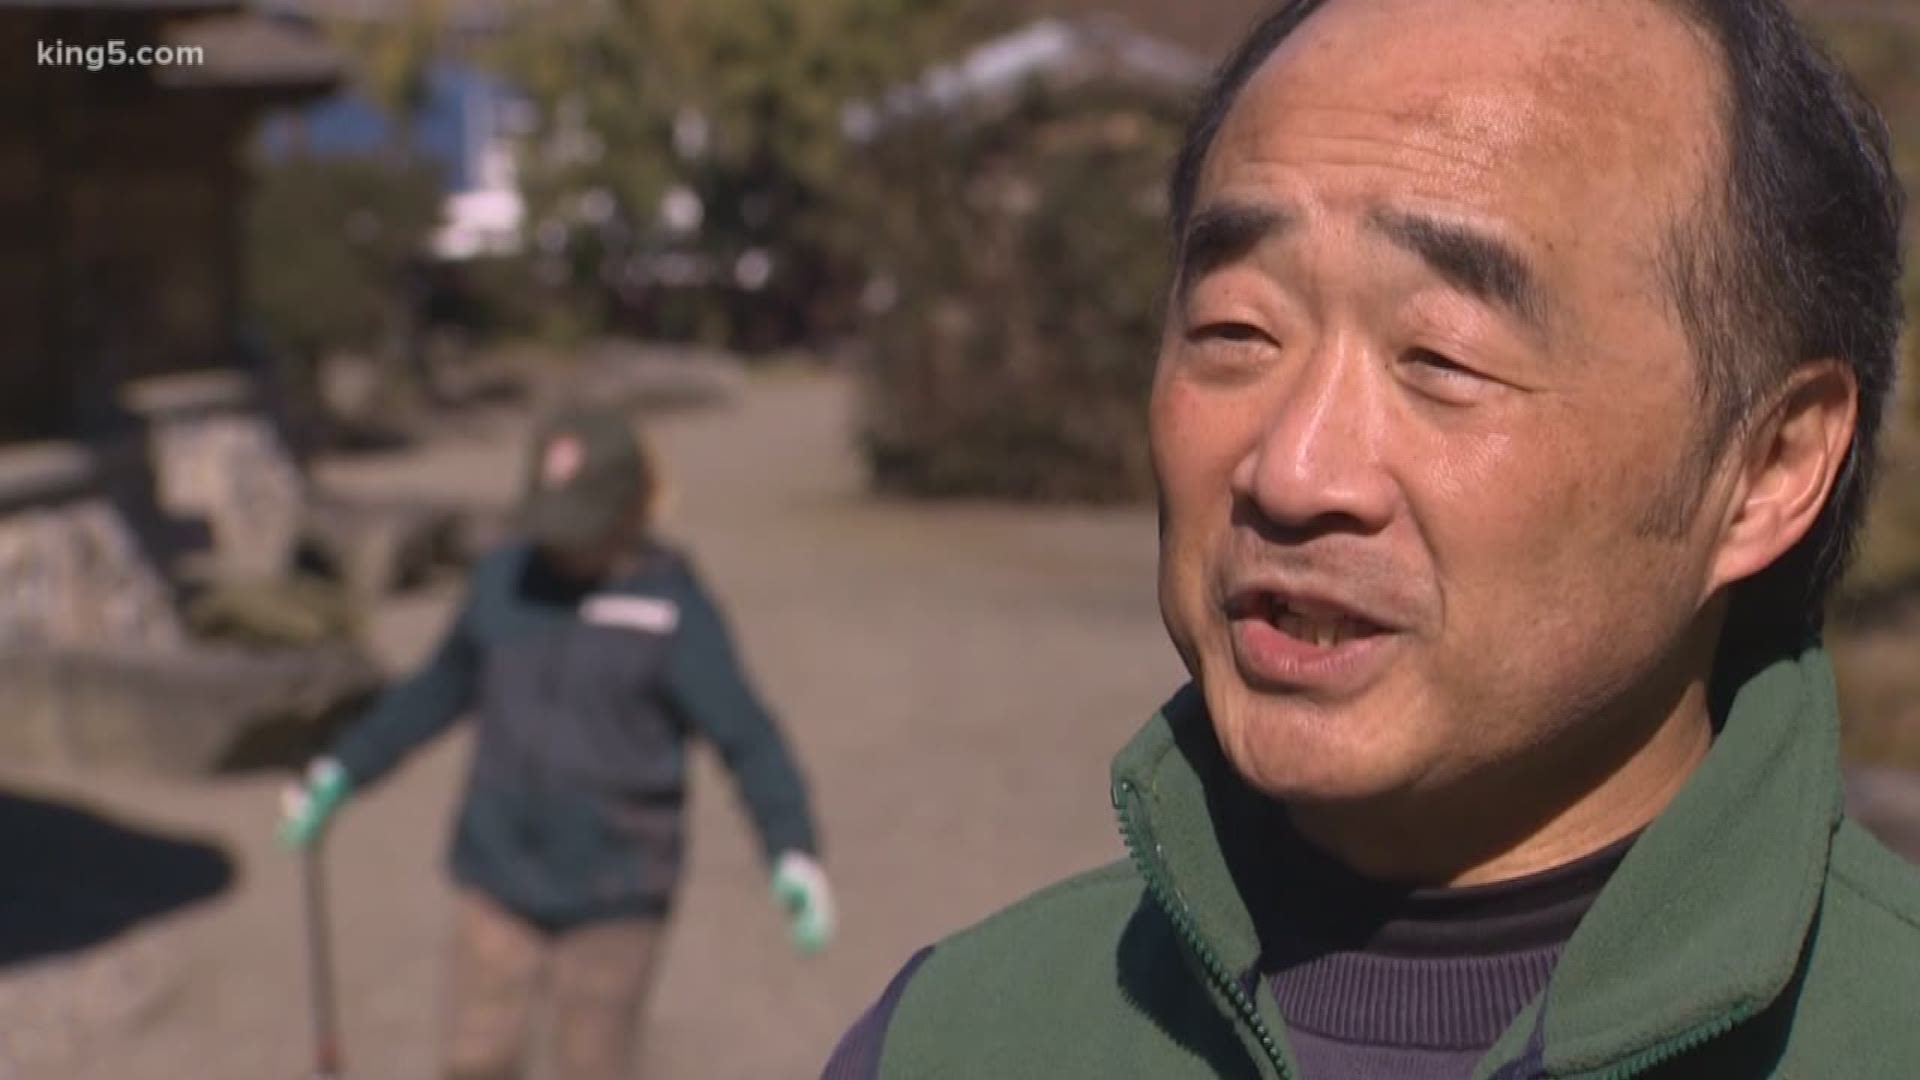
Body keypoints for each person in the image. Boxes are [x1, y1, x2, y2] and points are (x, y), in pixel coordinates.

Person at [826, 0, 1920, 1076]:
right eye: (1237, 330)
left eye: (1441, 355)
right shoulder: (958, 1038)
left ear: (1767, 468)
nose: (1295, 472)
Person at [281, 405, 834, 1080]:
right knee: (474, 1059)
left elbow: (748, 738)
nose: (562, 549)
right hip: (498, 878)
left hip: (618, 893)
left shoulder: (672, 610)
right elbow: (433, 692)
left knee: (591, 1063)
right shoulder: (503, 582)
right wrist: (341, 770)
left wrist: (792, 849)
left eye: (582, 530)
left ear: (632, 512)